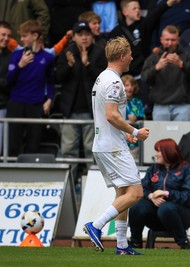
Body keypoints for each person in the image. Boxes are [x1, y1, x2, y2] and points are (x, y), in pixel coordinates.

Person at [83, 36, 150, 255]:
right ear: (122, 56)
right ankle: (97, 225)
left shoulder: (102, 77)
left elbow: (109, 116)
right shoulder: (113, 81)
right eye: (130, 53)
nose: (132, 57)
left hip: (107, 143)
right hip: (112, 146)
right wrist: (135, 131)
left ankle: (122, 245)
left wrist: (125, 134)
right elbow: (112, 115)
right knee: (136, 193)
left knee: (123, 193)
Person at [55, 21, 107, 182]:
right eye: (80, 34)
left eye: (87, 34)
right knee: (68, 150)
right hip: (70, 111)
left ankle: (93, 184)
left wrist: (87, 64)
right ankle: (68, 184)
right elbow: (57, 77)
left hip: (92, 112)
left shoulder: (99, 53)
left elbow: (104, 78)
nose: (84, 37)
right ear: (74, 37)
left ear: (91, 36)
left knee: (92, 150)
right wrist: (69, 66)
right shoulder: (67, 52)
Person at [128, 138, 190, 250]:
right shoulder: (153, 169)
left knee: (166, 208)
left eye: (158, 151)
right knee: (136, 208)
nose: (156, 155)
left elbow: (189, 196)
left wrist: (167, 193)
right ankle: (135, 244)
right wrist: (151, 196)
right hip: (156, 218)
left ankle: (184, 243)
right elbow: (142, 188)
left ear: (169, 152)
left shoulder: (187, 170)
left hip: (182, 216)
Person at [6, 20, 55, 157]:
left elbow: (50, 81)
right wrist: (20, 65)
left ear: (35, 35)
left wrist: (49, 99)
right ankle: (10, 176)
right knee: (13, 144)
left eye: (24, 36)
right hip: (16, 102)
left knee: (33, 144)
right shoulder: (16, 55)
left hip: (36, 104)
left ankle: (28, 177)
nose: (21, 39)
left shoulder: (48, 58)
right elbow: (8, 79)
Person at [141, 25, 190, 121]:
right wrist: (157, 67)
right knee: (160, 136)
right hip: (160, 106)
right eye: (167, 40)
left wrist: (182, 64)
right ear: (161, 40)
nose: (170, 43)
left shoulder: (187, 55)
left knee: (184, 136)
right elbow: (144, 78)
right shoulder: (154, 57)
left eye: (173, 40)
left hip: (183, 106)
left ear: (178, 40)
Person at [121, 74, 145, 160]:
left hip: (135, 142)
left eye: (132, 85)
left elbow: (143, 118)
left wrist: (136, 118)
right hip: (120, 141)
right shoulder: (117, 102)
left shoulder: (138, 102)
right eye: (127, 85)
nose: (130, 87)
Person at [0, 21, 12, 156]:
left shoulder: (11, 56)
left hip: (2, 107)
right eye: (3, 35)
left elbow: (10, 82)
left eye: (8, 36)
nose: (6, 38)